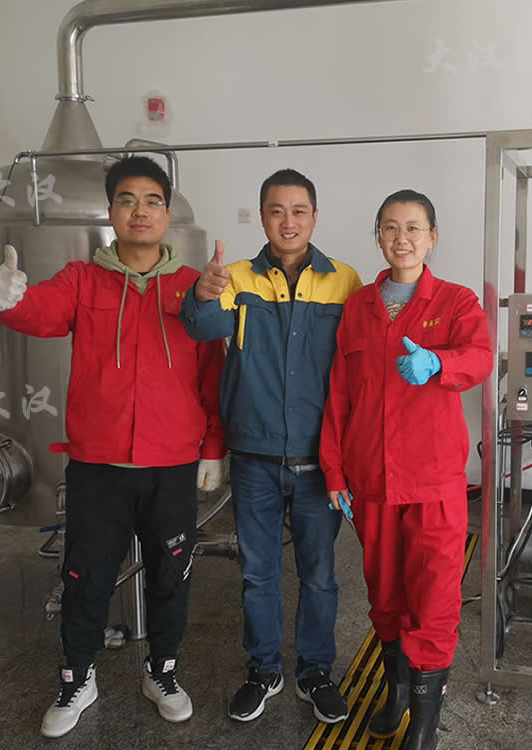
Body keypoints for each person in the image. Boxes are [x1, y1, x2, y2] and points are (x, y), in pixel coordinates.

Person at [0, 156, 226, 738]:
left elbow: (213, 374)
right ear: (111, 210)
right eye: (127, 199)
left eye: (152, 200)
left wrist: (213, 448)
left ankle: (162, 672)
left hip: (171, 463)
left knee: (172, 574)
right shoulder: (82, 279)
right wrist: (6, 300)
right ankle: (78, 677)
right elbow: (39, 313)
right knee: (85, 576)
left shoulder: (191, 286)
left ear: (167, 213)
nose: (140, 210)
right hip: (98, 465)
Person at [180, 168, 362, 724]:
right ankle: (263, 669)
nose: (288, 221)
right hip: (255, 458)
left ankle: (315, 671)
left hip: (318, 460)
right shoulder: (235, 277)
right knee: (257, 574)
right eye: (276, 211)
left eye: (299, 210)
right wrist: (201, 294)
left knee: (319, 575)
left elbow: (357, 368)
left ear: (315, 216)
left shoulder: (345, 282)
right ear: (262, 217)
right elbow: (202, 329)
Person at [319, 189, 493, 750]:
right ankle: (397, 689)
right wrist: (334, 471)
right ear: (378, 236)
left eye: (414, 228)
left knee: (434, 600)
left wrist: (438, 360)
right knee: (386, 597)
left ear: (432, 237)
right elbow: (339, 394)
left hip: (434, 481)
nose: (402, 238)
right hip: (371, 480)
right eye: (391, 228)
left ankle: (425, 720)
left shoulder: (457, 301)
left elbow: (480, 358)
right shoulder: (358, 308)